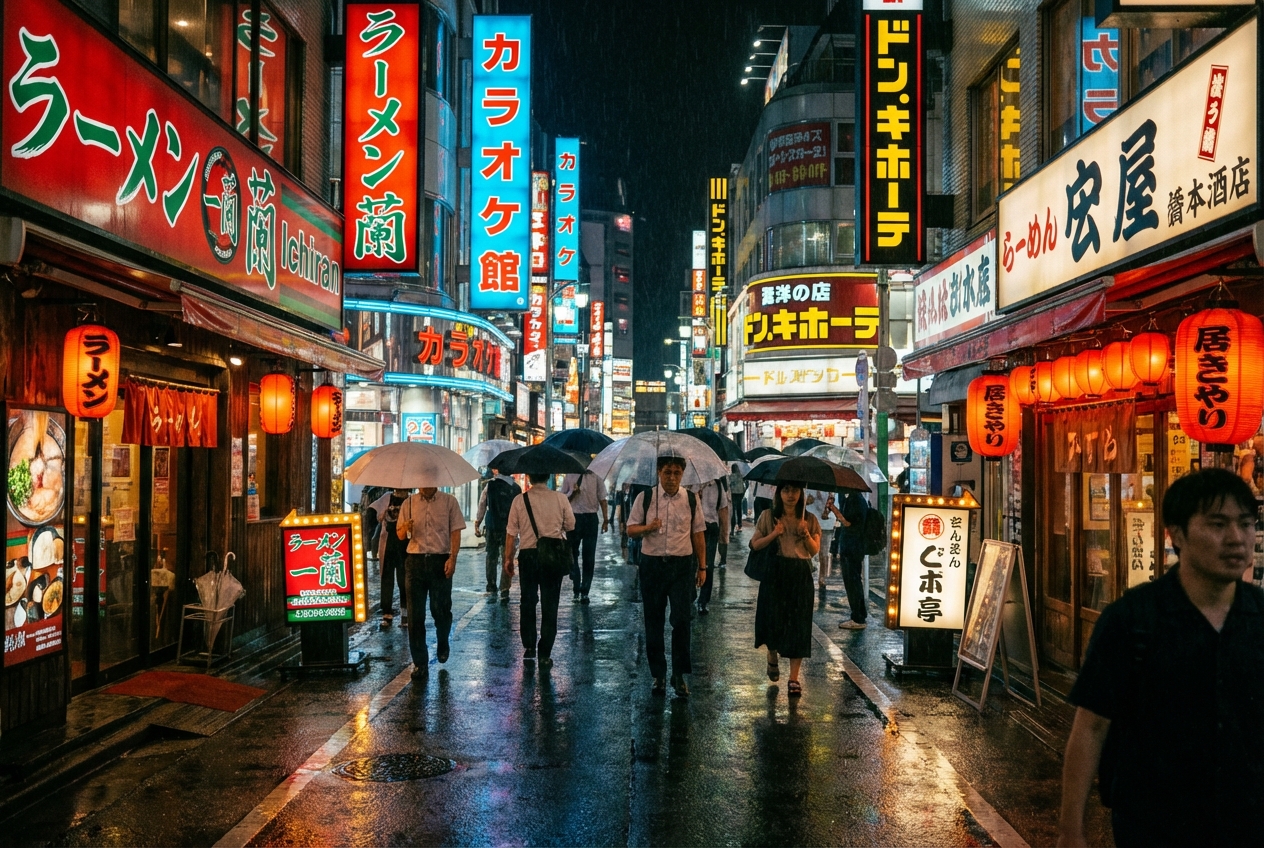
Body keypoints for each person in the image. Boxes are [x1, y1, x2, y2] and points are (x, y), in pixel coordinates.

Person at [1057, 468, 1264, 848]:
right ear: (1177, 535)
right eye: (1218, 524)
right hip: (1155, 824)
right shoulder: (1132, 620)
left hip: (1249, 821)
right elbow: (1091, 728)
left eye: (1246, 524)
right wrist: (1072, 831)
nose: (1237, 539)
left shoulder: (1260, 617)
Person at [626, 455, 706, 698]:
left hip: (682, 566)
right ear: (659, 472)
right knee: (654, 621)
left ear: (682, 475)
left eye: (676, 473)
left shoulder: (691, 500)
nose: (672, 478)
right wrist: (648, 527)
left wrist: (702, 567)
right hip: (652, 565)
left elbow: (698, 533)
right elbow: (630, 529)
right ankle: (658, 675)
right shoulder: (646, 497)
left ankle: (679, 675)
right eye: (667, 472)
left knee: (682, 620)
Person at [749, 483, 820, 697]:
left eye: (795, 490)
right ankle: (772, 655)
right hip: (775, 573)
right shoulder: (768, 516)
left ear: (801, 493)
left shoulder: (810, 519)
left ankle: (794, 678)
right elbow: (755, 544)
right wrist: (775, 533)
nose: (791, 495)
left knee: (798, 625)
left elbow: (814, 551)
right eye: (786, 490)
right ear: (779, 493)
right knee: (772, 621)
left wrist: (806, 534)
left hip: (800, 574)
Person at [503, 473, 575, 669]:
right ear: (549, 476)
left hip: (528, 557)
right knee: (550, 605)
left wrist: (508, 559)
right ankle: (545, 653)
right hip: (552, 556)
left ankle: (528, 646)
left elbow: (511, 532)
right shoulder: (560, 498)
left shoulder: (520, 500)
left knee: (527, 601)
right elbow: (571, 525)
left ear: (529, 477)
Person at [396, 486, 466, 679]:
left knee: (440, 609)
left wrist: (453, 558)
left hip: (439, 560)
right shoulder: (408, 503)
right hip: (415, 561)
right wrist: (405, 528)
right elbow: (400, 535)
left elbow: (456, 531)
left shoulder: (449, 501)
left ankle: (443, 640)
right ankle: (420, 662)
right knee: (415, 615)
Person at [561, 467, 609, 604]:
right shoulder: (571, 474)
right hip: (576, 518)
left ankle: (582, 590)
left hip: (587, 519)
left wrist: (606, 519)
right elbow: (563, 498)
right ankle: (579, 588)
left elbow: (602, 499)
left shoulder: (594, 476)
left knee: (585, 555)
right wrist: (573, 492)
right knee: (575, 554)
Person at [474, 468, 521, 604]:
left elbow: (482, 504)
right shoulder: (516, 488)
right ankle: (505, 589)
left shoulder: (490, 485)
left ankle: (491, 585)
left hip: (492, 525)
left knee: (491, 556)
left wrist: (478, 522)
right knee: (508, 557)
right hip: (509, 528)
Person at [367, 487, 410, 626]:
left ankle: (405, 613)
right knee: (386, 577)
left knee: (404, 578)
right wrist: (384, 513)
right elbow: (379, 518)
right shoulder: (387, 497)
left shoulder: (411, 500)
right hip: (388, 542)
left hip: (404, 543)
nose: (401, 491)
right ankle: (387, 612)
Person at [689, 476, 730, 615]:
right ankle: (691, 595)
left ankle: (703, 601)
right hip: (692, 528)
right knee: (691, 562)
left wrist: (724, 535)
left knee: (708, 565)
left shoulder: (718, 486)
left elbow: (723, 510)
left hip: (711, 528)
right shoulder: (690, 483)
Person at [835, 492, 869, 630]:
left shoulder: (855, 500)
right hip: (853, 546)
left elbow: (848, 523)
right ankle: (860, 614)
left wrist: (834, 510)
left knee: (852, 582)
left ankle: (858, 617)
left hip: (851, 547)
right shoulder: (856, 499)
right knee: (854, 582)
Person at [805, 489, 837, 589]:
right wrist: (807, 501)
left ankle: (822, 578)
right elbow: (803, 502)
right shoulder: (809, 487)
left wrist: (827, 510)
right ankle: (807, 575)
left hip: (826, 523)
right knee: (808, 551)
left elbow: (832, 504)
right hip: (811, 522)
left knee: (823, 553)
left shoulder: (830, 490)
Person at [729, 462, 747, 532]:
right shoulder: (741, 476)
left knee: (733, 510)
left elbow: (728, 486)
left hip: (733, 494)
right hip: (740, 494)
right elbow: (744, 486)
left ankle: (732, 527)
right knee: (739, 509)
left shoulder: (730, 477)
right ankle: (740, 525)